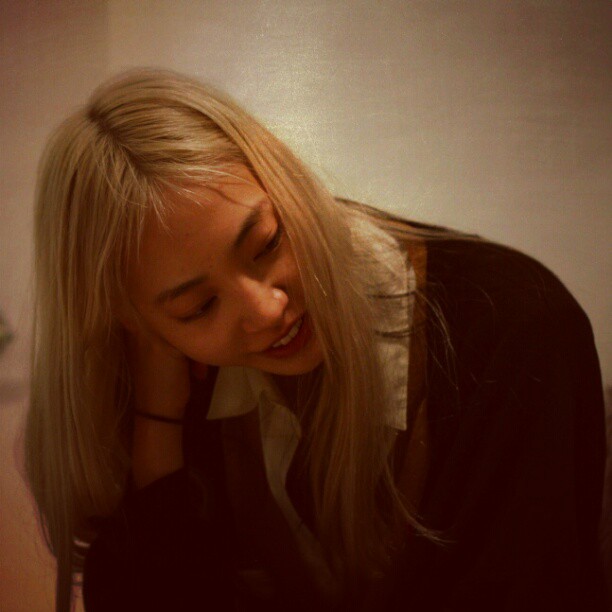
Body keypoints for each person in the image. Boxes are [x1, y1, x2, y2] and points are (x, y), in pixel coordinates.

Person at [25, 69, 607, 611]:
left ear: (290, 183)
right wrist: (158, 424)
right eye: (198, 307)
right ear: (136, 324)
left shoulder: (516, 326)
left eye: (268, 244)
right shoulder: (174, 383)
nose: (267, 310)